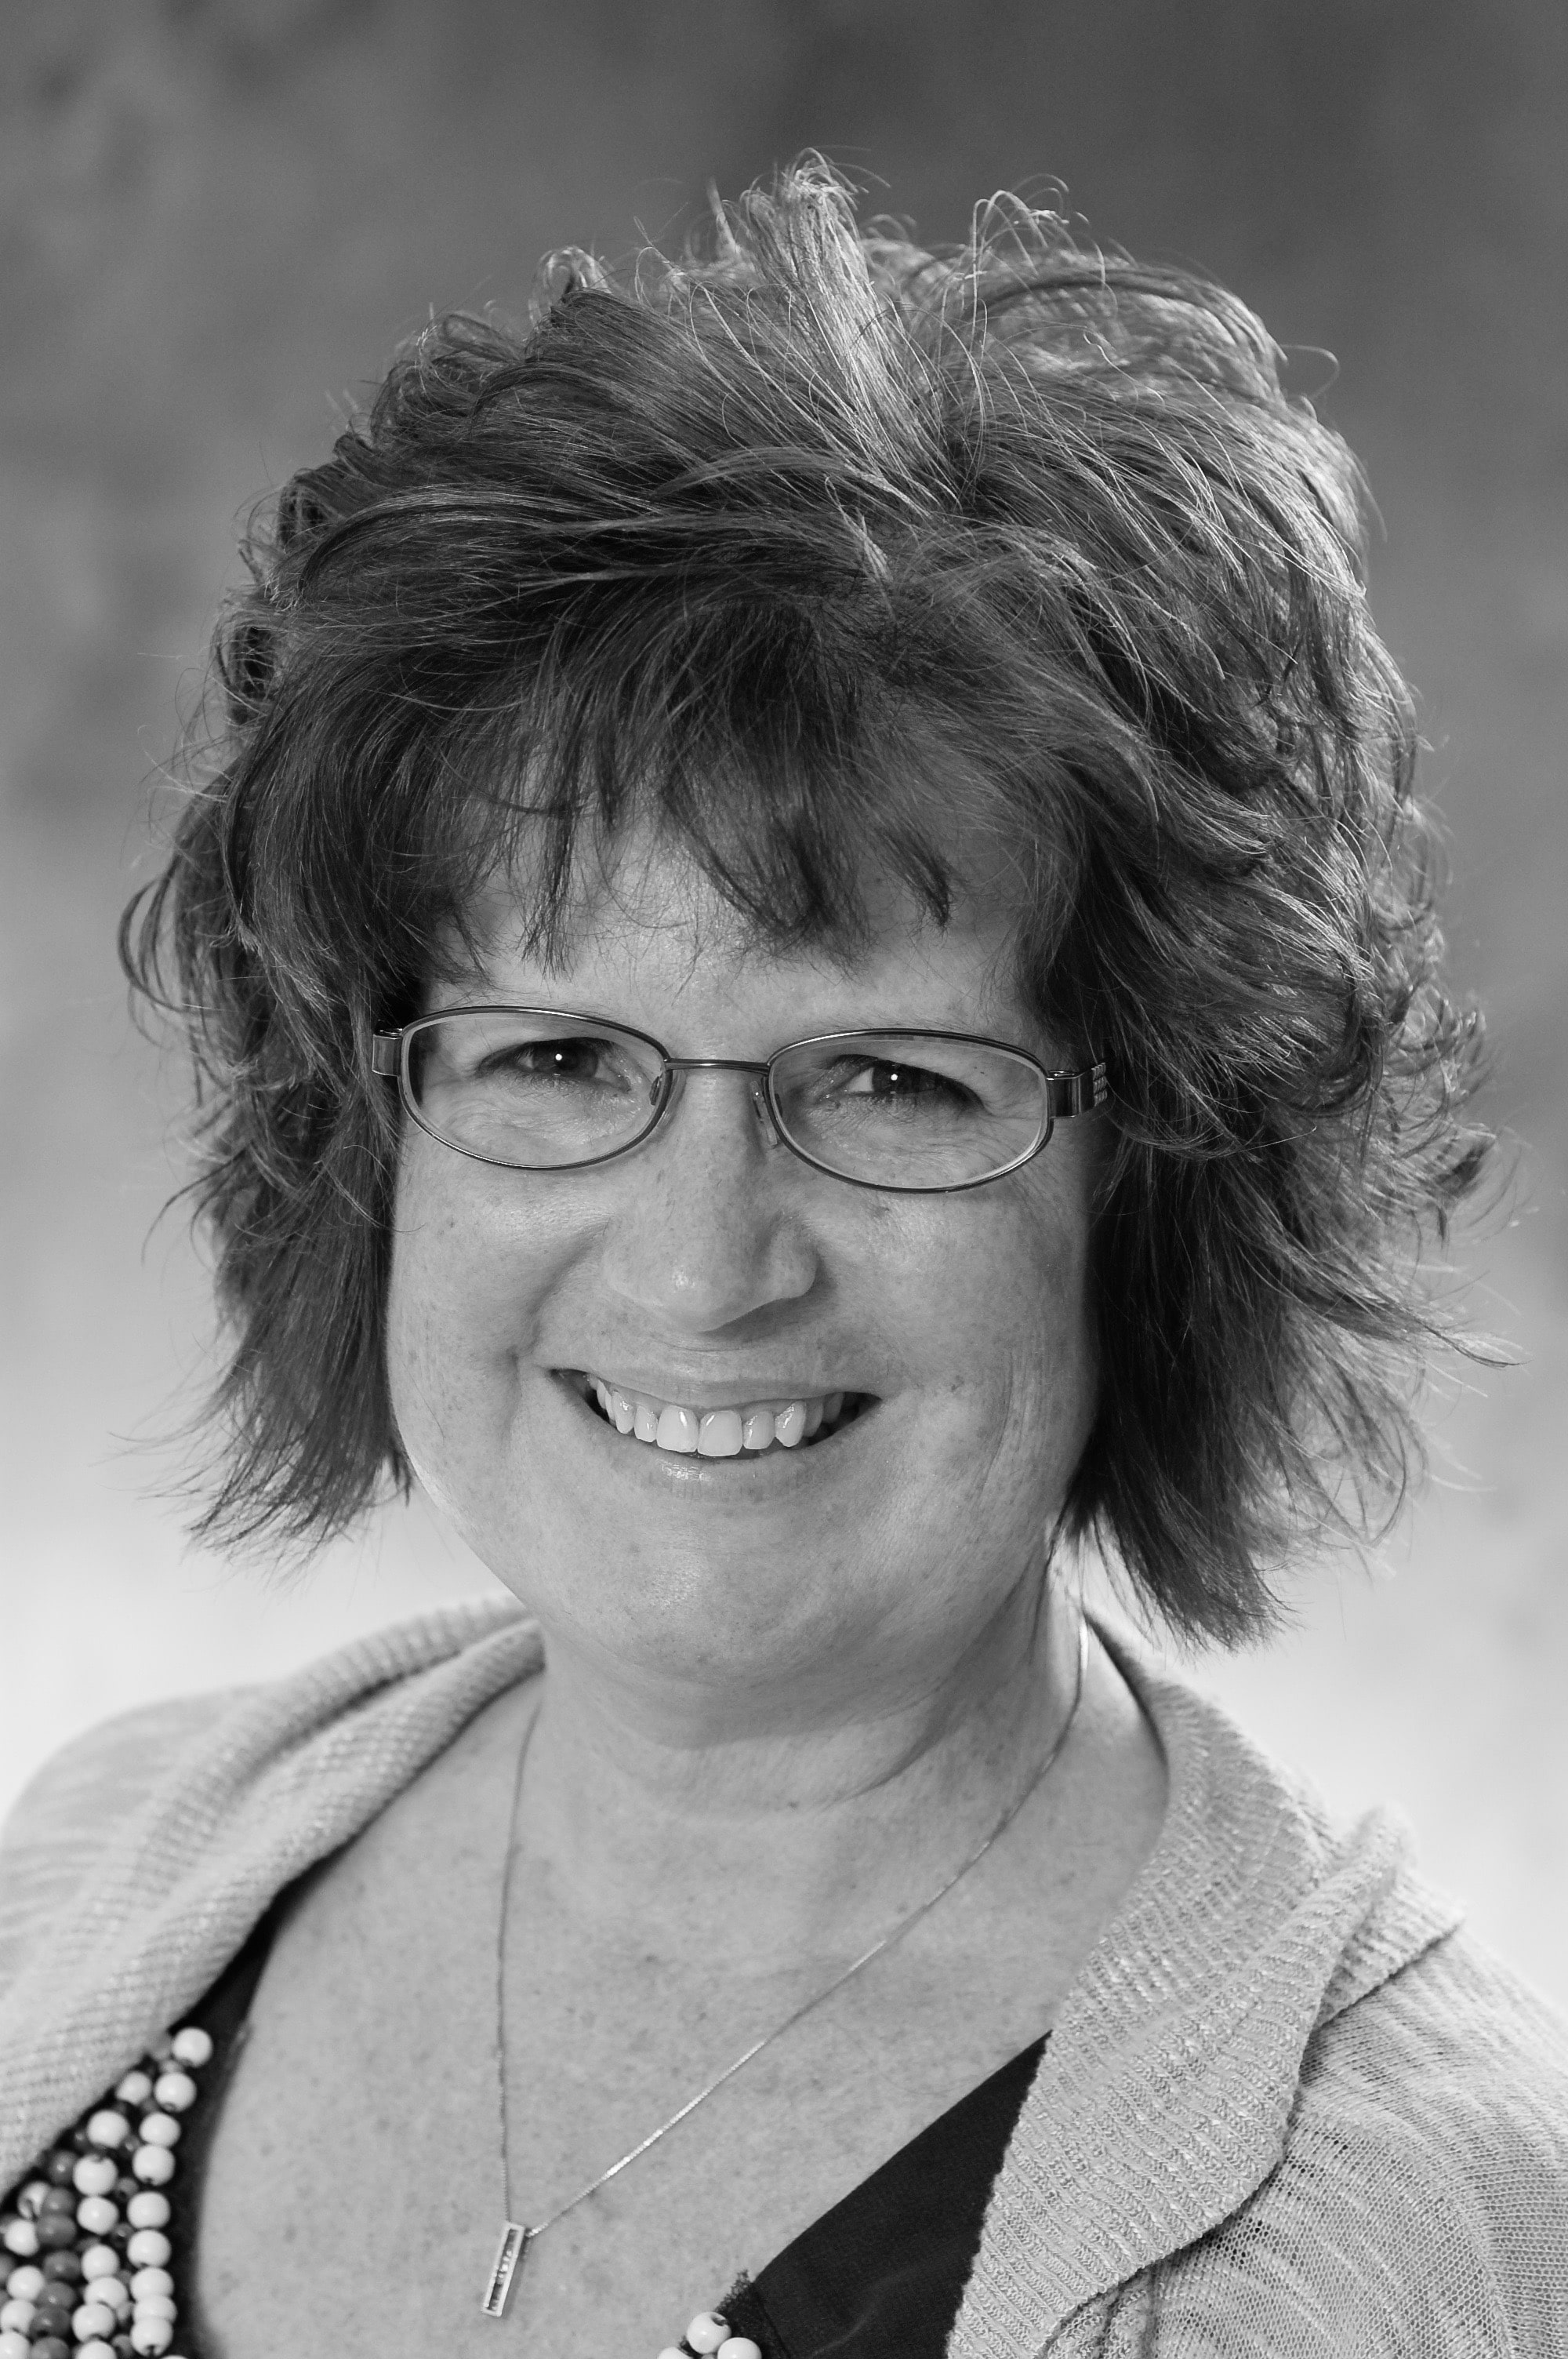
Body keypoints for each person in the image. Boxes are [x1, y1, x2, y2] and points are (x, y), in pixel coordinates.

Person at [1, 160, 1564, 2359]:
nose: (704, 1267)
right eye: (559, 1056)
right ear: (368, 1143)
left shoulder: (1420, 2233)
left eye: (892, 1082)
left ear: (1160, 1187)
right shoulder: (95, 1874)